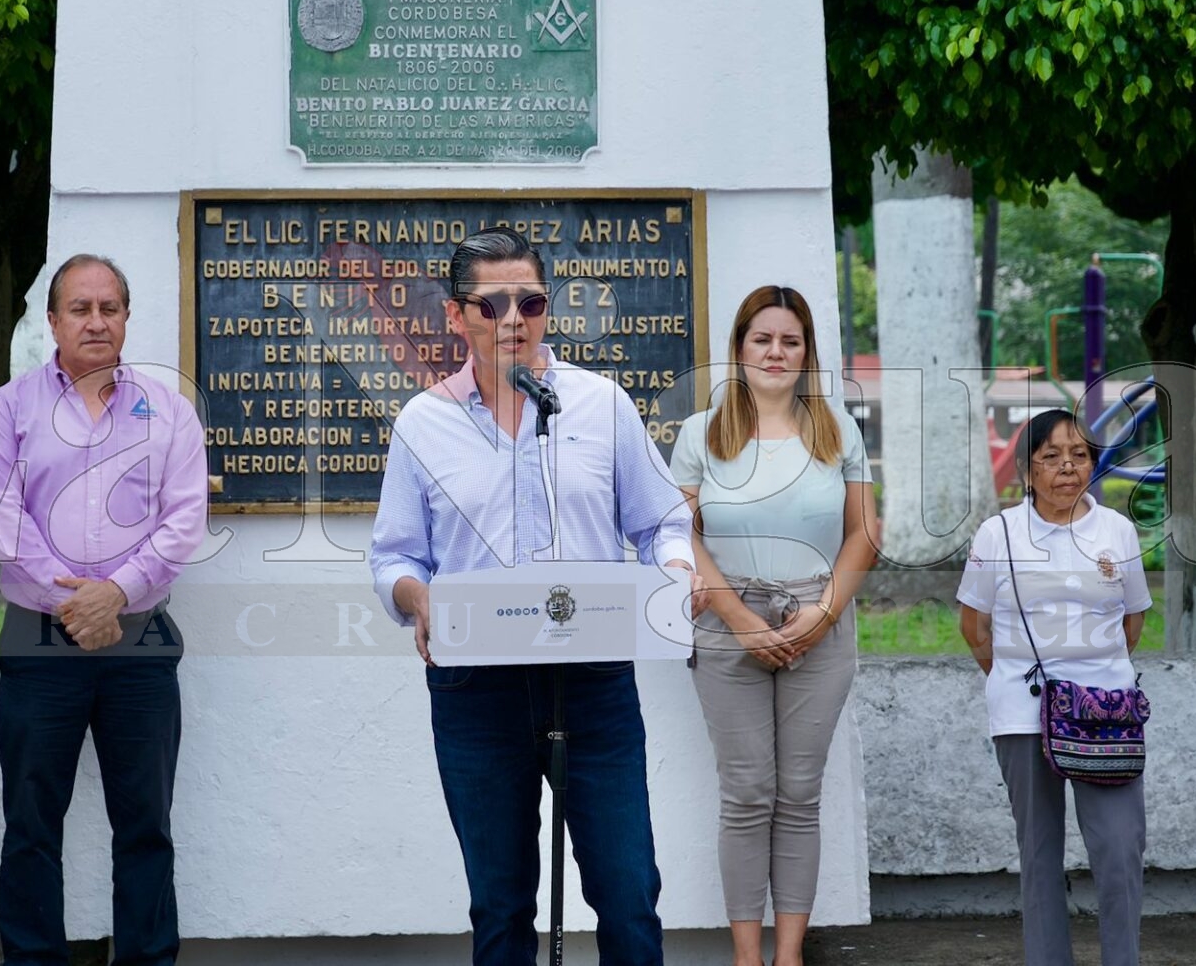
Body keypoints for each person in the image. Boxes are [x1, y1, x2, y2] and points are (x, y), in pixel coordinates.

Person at [370, 226, 701, 966]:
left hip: (594, 684)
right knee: (500, 903)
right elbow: (394, 553)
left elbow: (662, 522)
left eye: (530, 300)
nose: (512, 318)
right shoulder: (422, 425)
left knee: (626, 891)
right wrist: (416, 599)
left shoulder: (599, 405)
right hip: (474, 691)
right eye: (490, 305)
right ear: (456, 317)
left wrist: (676, 574)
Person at [0, 254, 207, 966]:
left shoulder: (168, 408)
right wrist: (77, 604)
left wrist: (119, 593)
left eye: (110, 307)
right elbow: (2, 519)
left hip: (140, 643)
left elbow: (185, 517)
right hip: (39, 642)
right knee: (32, 823)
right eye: (80, 308)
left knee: (145, 824)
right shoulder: (7, 409)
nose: (96, 320)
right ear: (52, 322)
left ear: (127, 318)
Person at [669, 285, 877, 966]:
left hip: (821, 617)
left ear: (807, 352)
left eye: (791, 340)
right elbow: (682, 535)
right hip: (730, 625)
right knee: (747, 791)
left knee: (798, 793)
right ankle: (746, 957)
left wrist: (822, 613)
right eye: (763, 338)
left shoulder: (838, 428)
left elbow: (864, 534)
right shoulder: (703, 432)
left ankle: (788, 957)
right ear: (739, 347)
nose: (776, 351)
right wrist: (740, 618)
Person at [957, 409, 1151, 966]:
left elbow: (1131, 622)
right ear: (1027, 468)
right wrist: (1017, 682)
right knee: (1040, 855)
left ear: (1093, 462)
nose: (1067, 466)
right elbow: (975, 626)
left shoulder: (1117, 530)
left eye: (1079, 454)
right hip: (1025, 712)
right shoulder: (1000, 533)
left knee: (1119, 851)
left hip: (1107, 713)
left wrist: (1092, 677)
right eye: (1051, 456)